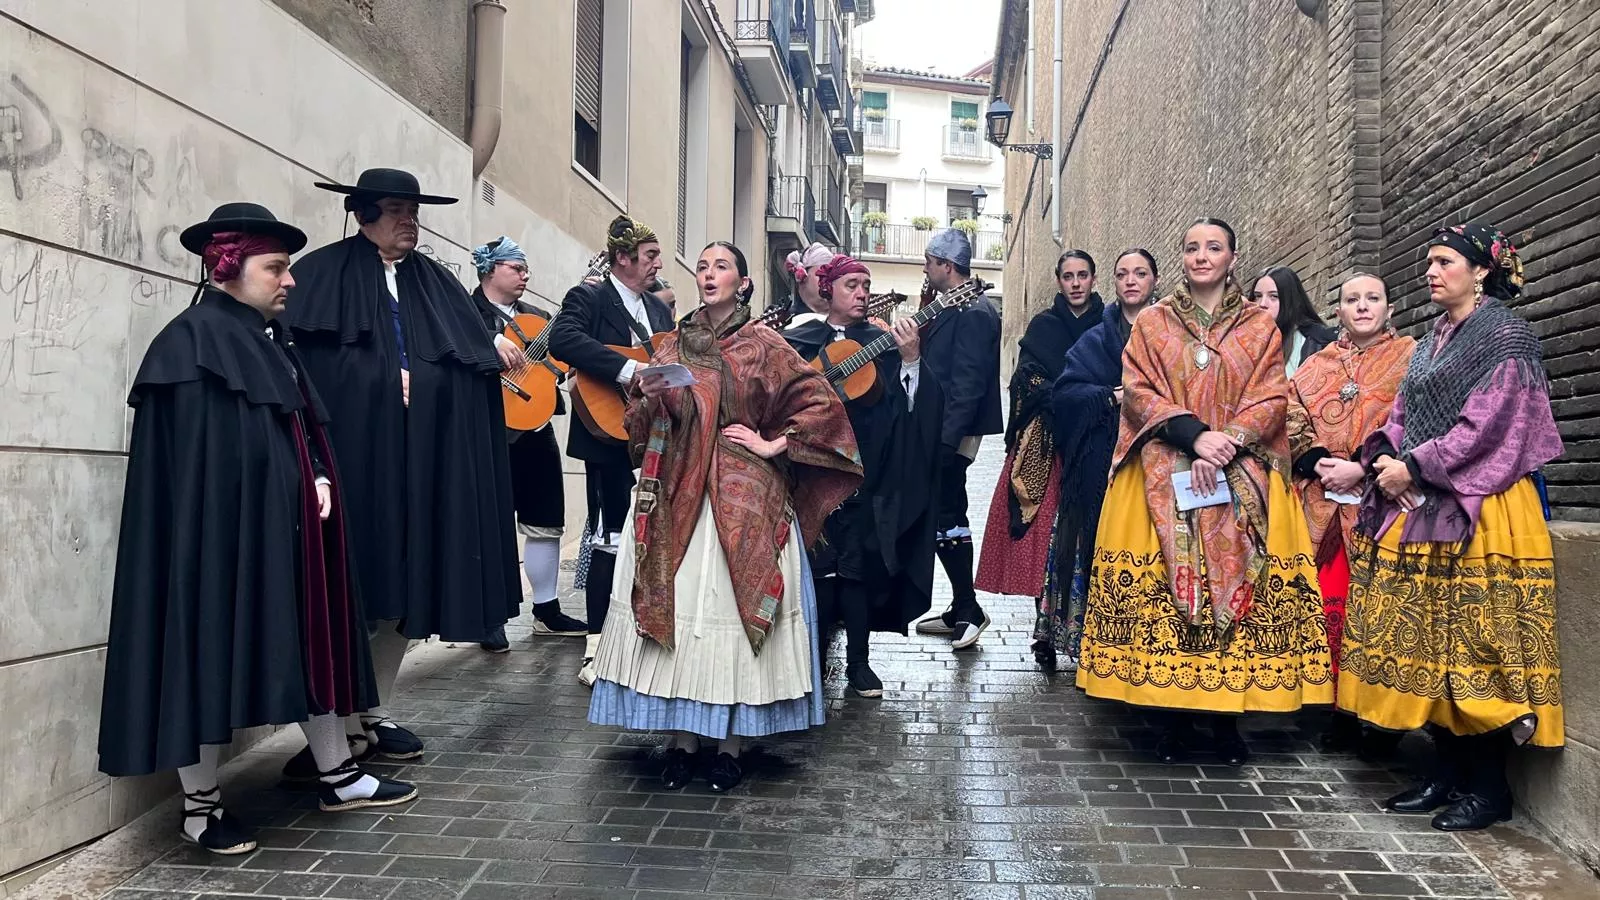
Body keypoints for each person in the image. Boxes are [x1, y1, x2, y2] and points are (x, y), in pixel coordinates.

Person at [98, 203, 416, 856]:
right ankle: (201, 809)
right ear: (226, 267)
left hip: (287, 540)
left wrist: (318, 480)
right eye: (275, 268)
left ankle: (339, 775)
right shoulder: (188, 344)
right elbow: (197, 472)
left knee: (313, 641)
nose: (289, 281)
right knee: (202, 658)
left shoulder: (270, 343)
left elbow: (293, 436)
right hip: (217, 551)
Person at [587, 242, 862, 792]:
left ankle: (730, 745)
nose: (710, 274)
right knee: (680, 614)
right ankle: (681, 740)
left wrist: (770, 444)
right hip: (674, 493)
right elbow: (640, 422)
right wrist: (650, 394)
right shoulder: (670, 344)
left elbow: (821, 404)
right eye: (704, 266)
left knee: (729, 620)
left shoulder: (765, 345)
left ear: (742, 282)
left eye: (722, 267)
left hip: (741, 498)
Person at [280, 168, 521, 767]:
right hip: (356, 465)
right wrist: (385, 382)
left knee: (405, 593)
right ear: (362, 214)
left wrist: (433, 381)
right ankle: (332, 735)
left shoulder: (435, 282)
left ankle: (374, 711)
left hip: (422, 462)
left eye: (413, 209)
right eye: (394, 209)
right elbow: (307, 374)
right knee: (349, 592)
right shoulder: (318, 275)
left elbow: (464, 370)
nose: (408, 220)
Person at [1075, 218, 1332, 766]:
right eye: (1191, 247)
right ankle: (1167, 719)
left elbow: (1272, 396)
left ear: (1233, 257)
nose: (1201, 256)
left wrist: (1230, 441)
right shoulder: (1153, 322)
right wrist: (1194, 434)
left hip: (1243, 470)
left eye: (1213, 247)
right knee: (1166, 599)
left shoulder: (1261, 325)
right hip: (1164, 465)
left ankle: (1223, 724)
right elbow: (1139, 391)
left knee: (1244, 593)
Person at [1341, 224, 1563, 832]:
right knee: (1430, 644)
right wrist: (1382, 455)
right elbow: (1403, 412)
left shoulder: (1506, 336)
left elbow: (1491, 427)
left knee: (1477, 643)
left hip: (1483, 506)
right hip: (1426, 502)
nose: (1431, 272)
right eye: (1429, 262)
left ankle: (1489, 789)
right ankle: (1446, 773)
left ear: (1481, 270)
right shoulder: (1434, 338)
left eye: (1444, 262)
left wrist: (1412, 464)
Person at [784, 255, 943, 698]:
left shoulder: (883, 343)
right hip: (809, 471)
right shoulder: (798, 340)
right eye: (852, 284)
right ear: (827, 289)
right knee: (812, 570)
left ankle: (858, 662)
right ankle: (807, 660)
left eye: (866, 284)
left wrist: (911, 360)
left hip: (862, 473)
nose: (861, 292)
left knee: (856, 569)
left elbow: (908, 409)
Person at [1285, 273, 1415, 750]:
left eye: (1372, 298)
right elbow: (1288, 411)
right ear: (1337, 311)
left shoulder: (1410, 357)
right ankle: (1330, 711)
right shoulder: (1317, 364)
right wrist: (1316, 459)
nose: (1362, 307)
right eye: (1351, 300)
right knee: (1323, 603)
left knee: (1376, 608)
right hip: (1320, 500)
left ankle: (1379, 721)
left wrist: (1361, 467)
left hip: (1380, 502)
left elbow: (1414, 419)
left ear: (1389, 307)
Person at [549, 215, 675, 685]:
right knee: (609, 537)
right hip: (606, 432)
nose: (657, 265)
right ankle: (596, 646)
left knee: (646, 534)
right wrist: (628, 372)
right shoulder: (590, 296)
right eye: (649, 256)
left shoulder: (659, 311)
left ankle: (639, 635)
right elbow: (563, 339)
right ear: (621, 258)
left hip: (653, 434)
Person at [975, 249, 1104, 652]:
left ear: (1093, 279)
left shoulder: (1110, 324)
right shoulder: (1043, 327)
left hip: (1097, 440)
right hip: (1049, 444)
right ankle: (1045, 629)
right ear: (1059, 281)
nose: (1076, 283)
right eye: (1068, 276)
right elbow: (1027, 382)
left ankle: (1092, 629)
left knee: (1092, 536)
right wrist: (1076, 397)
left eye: (1083, 275)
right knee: (1046, 536)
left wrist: (1086, 399)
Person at [1037, 248, 1158, 671]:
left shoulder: (1172, 334)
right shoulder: (1097, 339)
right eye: (1122, 273)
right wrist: (1109, 396)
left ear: (1154, 280)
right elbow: (1065, 391)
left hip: (1158, 458)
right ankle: (1087, 635)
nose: (1131, 280)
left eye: (1140, 273)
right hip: (1098, 460)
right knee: (1089, 541)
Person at [471, 237, 589, 652]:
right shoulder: (466, 313)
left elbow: (557, 365)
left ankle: (547, 610)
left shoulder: (538, 318)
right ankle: (488, 615)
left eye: (525, 269)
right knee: (490, 523)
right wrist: (488, 340)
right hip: (487, 431)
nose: (525, 275)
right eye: (515, 268)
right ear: (489, 270)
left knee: (545, 522)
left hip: (536, 430)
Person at [910, 229, 1003, 650]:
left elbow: (968, 380)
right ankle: (959, 607)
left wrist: (947, 443)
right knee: (944, 512)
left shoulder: (973, 309)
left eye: (930, 262)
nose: (926, 271)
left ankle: (969, 609)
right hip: (939, 428)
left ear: (947, 266)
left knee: (949, 513)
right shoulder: (949, 304)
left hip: (953, 432)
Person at [1251, 266, 1336, 377]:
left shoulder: (1318, 342)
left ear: (1289, 299)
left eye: (1273, 296)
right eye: (1257, 296)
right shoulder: (1245, 340)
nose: (1262, 304)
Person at [785, 241, 838, 325]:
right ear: (802, 276)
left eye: (832, 275)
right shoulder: (786, 321)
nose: (828, 281)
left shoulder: (847, 322)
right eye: (821, 274)